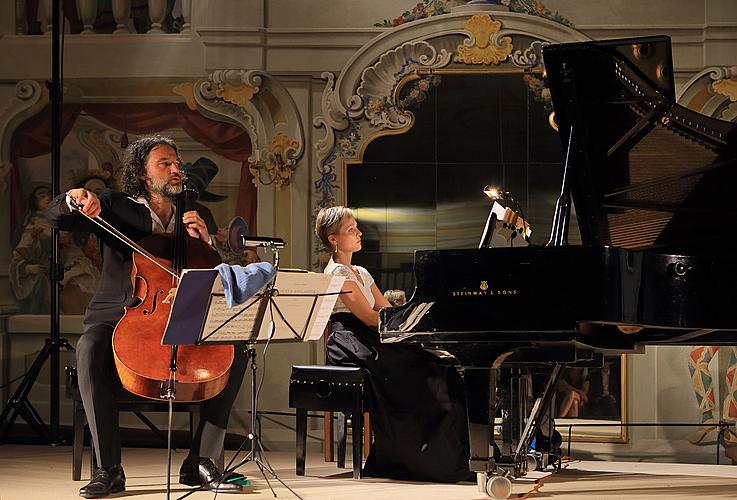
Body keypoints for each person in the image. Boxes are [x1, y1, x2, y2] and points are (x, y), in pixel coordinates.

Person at [46, 135, 247, 498]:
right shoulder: (116, 204)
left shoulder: (196, 214)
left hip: (181, 317)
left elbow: (217, 273)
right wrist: (75, 198)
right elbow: (56, 216)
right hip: (121, 314)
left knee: (236, 349)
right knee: (90, 347)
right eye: (165, 163)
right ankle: (109, 469)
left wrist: (209, 244)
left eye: (176, 163)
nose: (175, 169)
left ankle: (201, 461)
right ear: (142, 174)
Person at [315, 206, 471, 483]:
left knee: (439, 366)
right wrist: (403, 326)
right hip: (350, 341)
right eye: (351, 229)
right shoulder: (337, 272)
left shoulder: (361, 271)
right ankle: (417, 458)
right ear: (333, 239)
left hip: (370, 335)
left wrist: (411, 323)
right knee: (417, 372)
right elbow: (367, 316)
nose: (359, 232)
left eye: (356, 227)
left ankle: (443, 457)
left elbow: (386, 311)